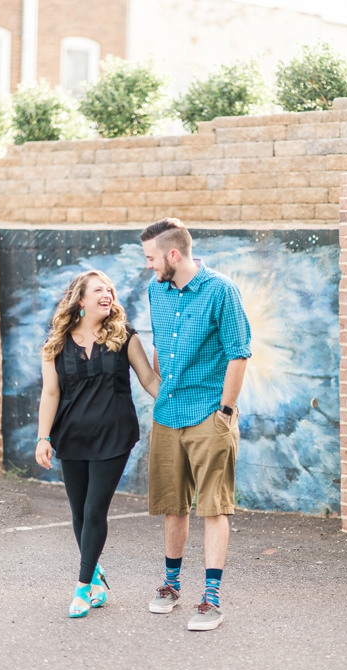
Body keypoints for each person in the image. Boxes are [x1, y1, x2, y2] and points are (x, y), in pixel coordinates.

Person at [140, 217, 251, 632]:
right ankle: (170, 586)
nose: (149, 266)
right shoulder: (157, 290)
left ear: (173, 254)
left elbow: (238, 353)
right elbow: (158, 344)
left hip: (209, 415)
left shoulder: (222, 291)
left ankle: (211, 599)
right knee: (173, 505)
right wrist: (161, 389)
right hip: (167, 417)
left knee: (213, 507)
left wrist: (224, 411)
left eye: (152, 258)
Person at [35, 270, 160, 618]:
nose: (107, 294)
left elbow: (149, 379)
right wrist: (43, 437)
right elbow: (50, 392)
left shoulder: (125, 336)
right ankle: (95, 572)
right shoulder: (57, 344)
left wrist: (180, 406)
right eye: (98, 290)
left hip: (114, 435)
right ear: (81, 300)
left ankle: (81, 588)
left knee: (94, 511)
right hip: (71, 436)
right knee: (78, 514)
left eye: (110, 290)